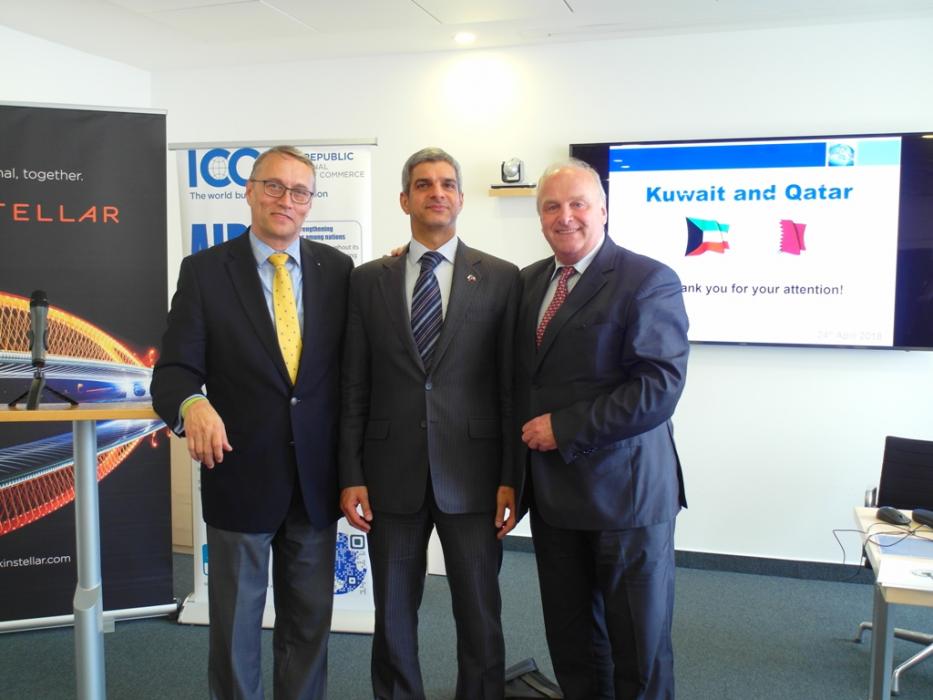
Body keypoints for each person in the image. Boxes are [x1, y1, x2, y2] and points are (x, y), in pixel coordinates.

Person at [151, 146, 353, 700]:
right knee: (236, 629)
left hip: (315, 481)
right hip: (240, 474)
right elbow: (173, 371)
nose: (286, 200)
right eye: (273, 186)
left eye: (299, 191)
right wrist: (191, 404)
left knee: (308, 627)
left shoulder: (338, 271)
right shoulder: (205, 272)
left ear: (310, 202)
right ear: (249, 191)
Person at [339, 147, 519, 699]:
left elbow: (511, 387)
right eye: (423, 184)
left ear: (461, 198)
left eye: (446, 184)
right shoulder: (367, 280)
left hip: (474, 475)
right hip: (389, 474)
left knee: (480, 612)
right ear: (404, 199)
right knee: (393, 613)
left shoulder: (502, 278)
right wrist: (351, 473)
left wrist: (512, 476)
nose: (436, 192)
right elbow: (354, 384)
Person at [515, 159, 690, 700]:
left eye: (578, 204)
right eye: (551, 206)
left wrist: (565, 428)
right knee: (574, 645)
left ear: (604, 210)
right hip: (554, 498)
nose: (564, 216)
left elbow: (658, 387)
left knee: (638, 649)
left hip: (627, 499)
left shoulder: (647, 279)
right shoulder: (528, 282)